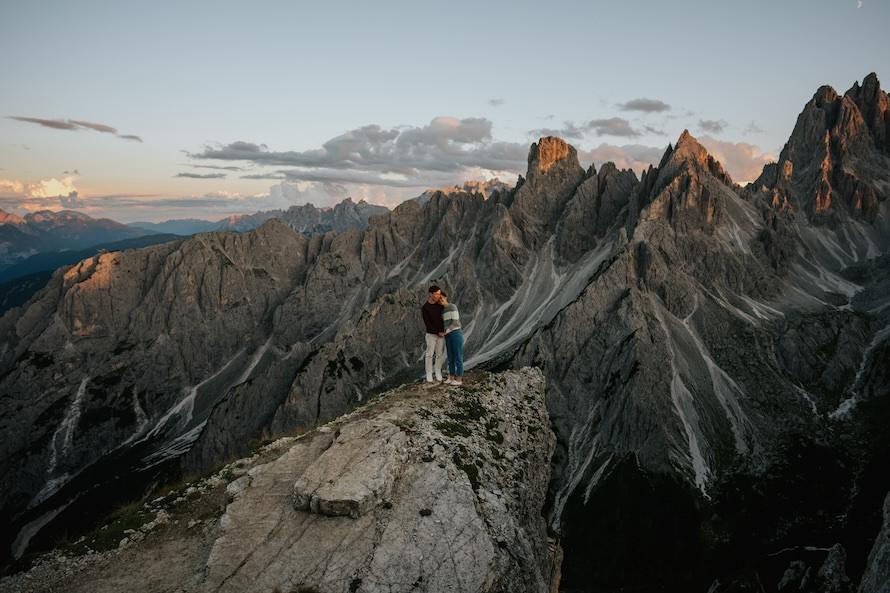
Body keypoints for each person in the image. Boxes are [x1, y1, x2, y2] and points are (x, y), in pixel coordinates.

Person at [420, 285, 445, 383]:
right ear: (431, 294)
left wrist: (442, 331)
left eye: (439, 294)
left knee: (439, 354)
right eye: (437, 294)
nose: (439, 296)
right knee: (429, 354)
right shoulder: (425, 307)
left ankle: (438, 372)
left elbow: (443, 319)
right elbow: (427, 323)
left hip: (441, 334)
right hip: (431, 335)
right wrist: (437, 332)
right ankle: (429, 374)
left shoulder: (440, 305)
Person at [438, 292, 464, 386]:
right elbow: (444, 324)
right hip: (448, 335)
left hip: (456, 333)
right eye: (438, 299)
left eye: (441, 298)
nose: (440, 300)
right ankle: (451, 377)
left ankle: (459, 379)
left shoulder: (452, 307)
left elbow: (455, 322)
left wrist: (446, 332)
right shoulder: (443, 311)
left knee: (458, 356)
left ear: (445, 297)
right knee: (450, 357)